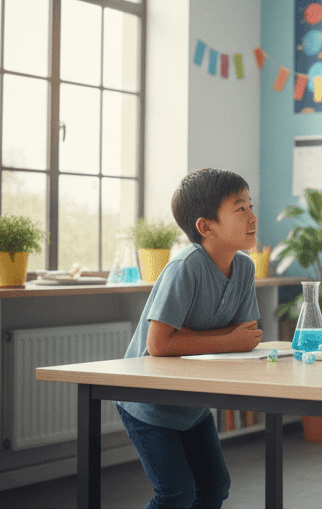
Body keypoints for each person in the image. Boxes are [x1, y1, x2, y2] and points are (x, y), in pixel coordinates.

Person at [116, 168, 263, 509]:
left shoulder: (244, 267)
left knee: (214, 489)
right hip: (148, 404)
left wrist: (217, 338)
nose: (252, 216)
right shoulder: (186, 267)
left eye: (250, 205)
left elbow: (249, 334)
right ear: (205, 226)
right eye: (240, 208)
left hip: (191, 404)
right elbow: (160, 344)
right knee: (175, 493)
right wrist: (226, 340)